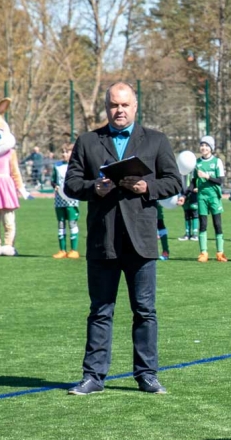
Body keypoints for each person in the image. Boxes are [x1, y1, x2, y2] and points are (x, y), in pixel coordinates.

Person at [62, 82, 183, 396]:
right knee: (100, 310)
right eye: (114, 105)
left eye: (125, 105)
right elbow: (71, 183)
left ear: (135, 106)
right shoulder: (88, 141)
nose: (119, 110)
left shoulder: (155, 140)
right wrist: (94, 189)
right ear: (106, 107)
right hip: (103, 240)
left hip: (142, 240)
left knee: (145, 310)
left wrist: (147, 188)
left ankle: (147, 375)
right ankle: (93, 377)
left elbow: (174, 181)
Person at [192, 135, 227, 263]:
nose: (203, 147)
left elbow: (220, 181)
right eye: (202, 145)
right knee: (203, 224)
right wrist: (185, 194)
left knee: (217, 224)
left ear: (211, 148)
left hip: (214, 197)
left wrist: (207, 176)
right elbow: (193, 181)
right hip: (201, 197)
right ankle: (203, 253)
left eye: (206, 145)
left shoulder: (217, 161)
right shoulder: (197, 162)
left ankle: (220, 253)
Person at [52, 142, 81, 259]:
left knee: (72, 222)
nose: (64, 154)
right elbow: (53, 180)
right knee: (61, 223)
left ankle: (74, 250)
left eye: (67, 152)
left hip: (71, 199)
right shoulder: (57, 165)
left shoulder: (75, 165)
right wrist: (54, 185)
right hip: (59, 199)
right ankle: (62, 250)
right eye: (62, 152)